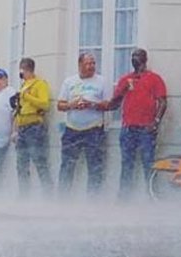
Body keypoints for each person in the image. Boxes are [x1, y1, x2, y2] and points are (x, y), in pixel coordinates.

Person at [101, 48, 167, 200]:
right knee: (127, 165)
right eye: (133, 56)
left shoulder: (154, 78)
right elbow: (113, 105)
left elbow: (163, 102)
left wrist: (156, 122)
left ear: (145, 59)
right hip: (128, 129)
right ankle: (124, 199)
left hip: (146, 129)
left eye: (138, 56)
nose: (135, 59)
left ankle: (153, 197)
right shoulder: (125, 79)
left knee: (148, 164)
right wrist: (122, 90)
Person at [56, 52, 109, 196]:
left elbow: (108, 104)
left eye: (93, 63)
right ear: (80, 65)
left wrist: (92, 104)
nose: (91, 66)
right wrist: (72, 105)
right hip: (72, 130)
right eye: (88, 63)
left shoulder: (101, 81)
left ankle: (93, 200)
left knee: (95, 167)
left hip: (94, 130)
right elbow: (60, 105)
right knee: (67, 166)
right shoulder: (69, 81)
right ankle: (62, 199)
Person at [13, 57, 52, 198]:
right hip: (22, 127)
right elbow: (19, 109)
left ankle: (48, 195)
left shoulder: (39, 84)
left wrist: (27, 96)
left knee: (39, 161)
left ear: (26, 70)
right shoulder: (23, 85)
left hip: (34, 127)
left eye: (22, 70)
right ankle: (23, 195)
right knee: (21, 164)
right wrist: (15, 130)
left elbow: (45, 104)